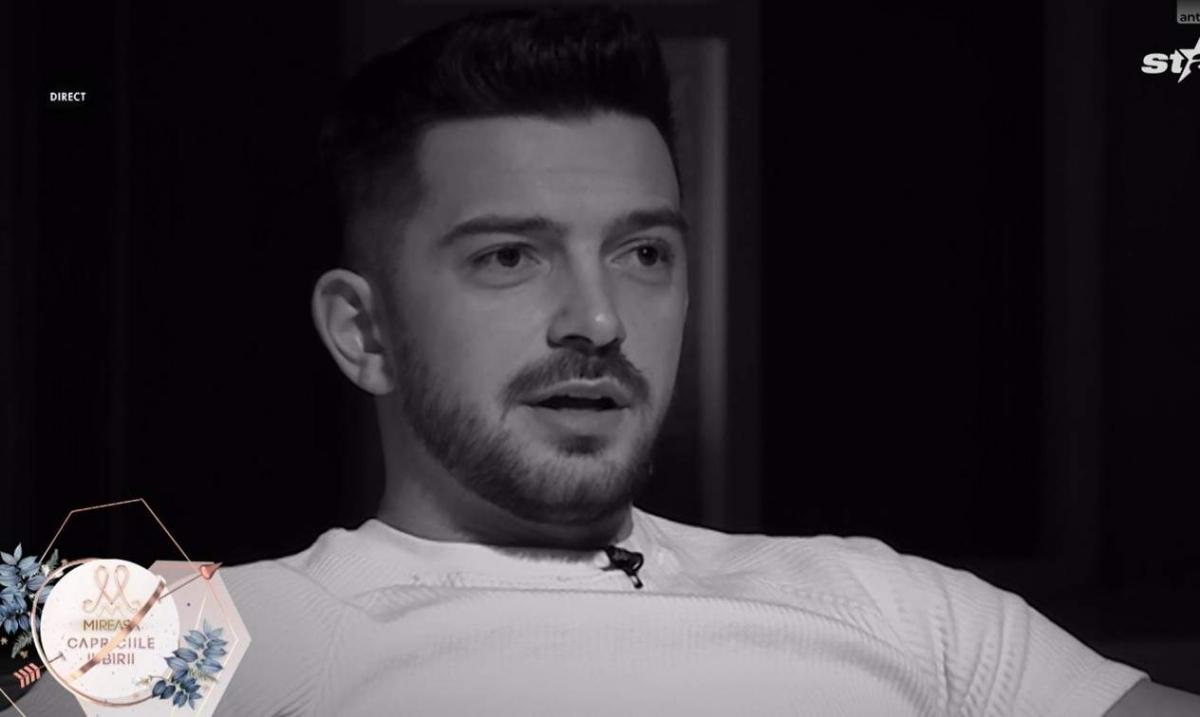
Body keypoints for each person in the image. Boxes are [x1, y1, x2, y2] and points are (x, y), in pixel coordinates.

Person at [13, 5, 1200, 716]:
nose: (598, 319)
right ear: (361, 333)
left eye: (642, 253)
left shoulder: (899, 610)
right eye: (509, 258)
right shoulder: (206, 633)